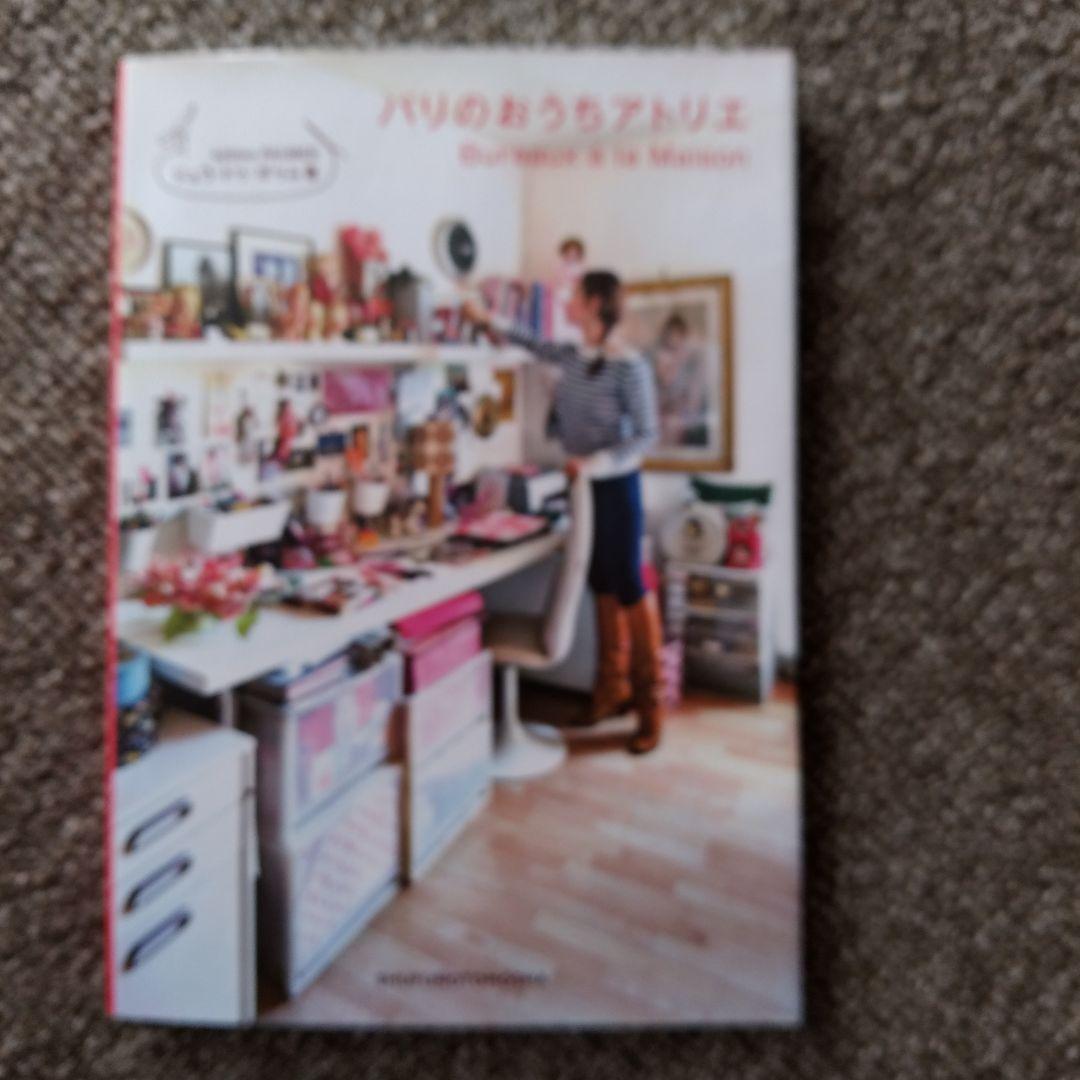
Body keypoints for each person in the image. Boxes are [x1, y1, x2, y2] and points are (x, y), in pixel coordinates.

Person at [462, 270, 665, 755]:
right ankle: (609, 691)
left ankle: (650, 708)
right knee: (600, 584)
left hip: (616, 487)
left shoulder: (628, 365)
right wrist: (485, 318)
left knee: (629, 585)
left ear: (594, 304)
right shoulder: (574, 356)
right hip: (583, 489)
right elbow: (532, 343)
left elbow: (646, 436)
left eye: (575, 296)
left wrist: (594, 463)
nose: (567, 303)